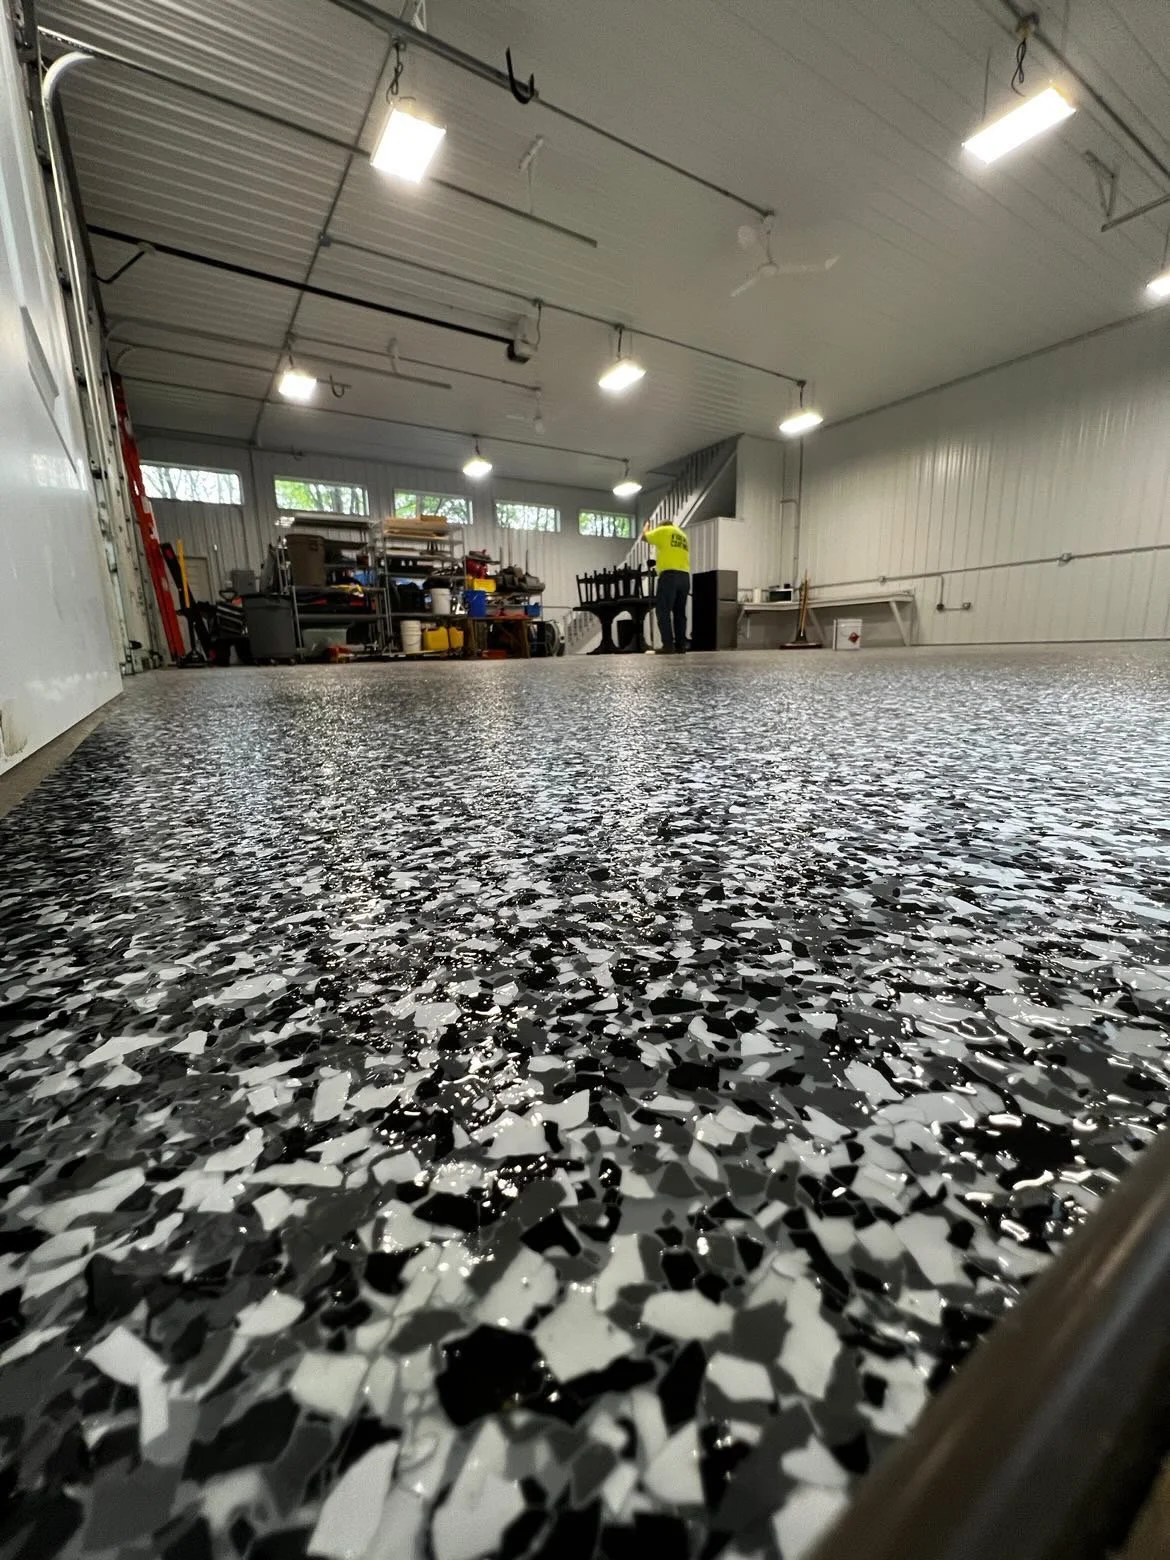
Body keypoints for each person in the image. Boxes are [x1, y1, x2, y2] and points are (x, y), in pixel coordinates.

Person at [642, 518, 690, 653]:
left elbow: (644, 537)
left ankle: (668, 646)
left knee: (663, 611)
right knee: (680, 613)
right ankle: (681, 646)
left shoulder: (664, 530)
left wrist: (646, 526)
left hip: (669, 576)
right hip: (685, 576)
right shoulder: (682, 535)